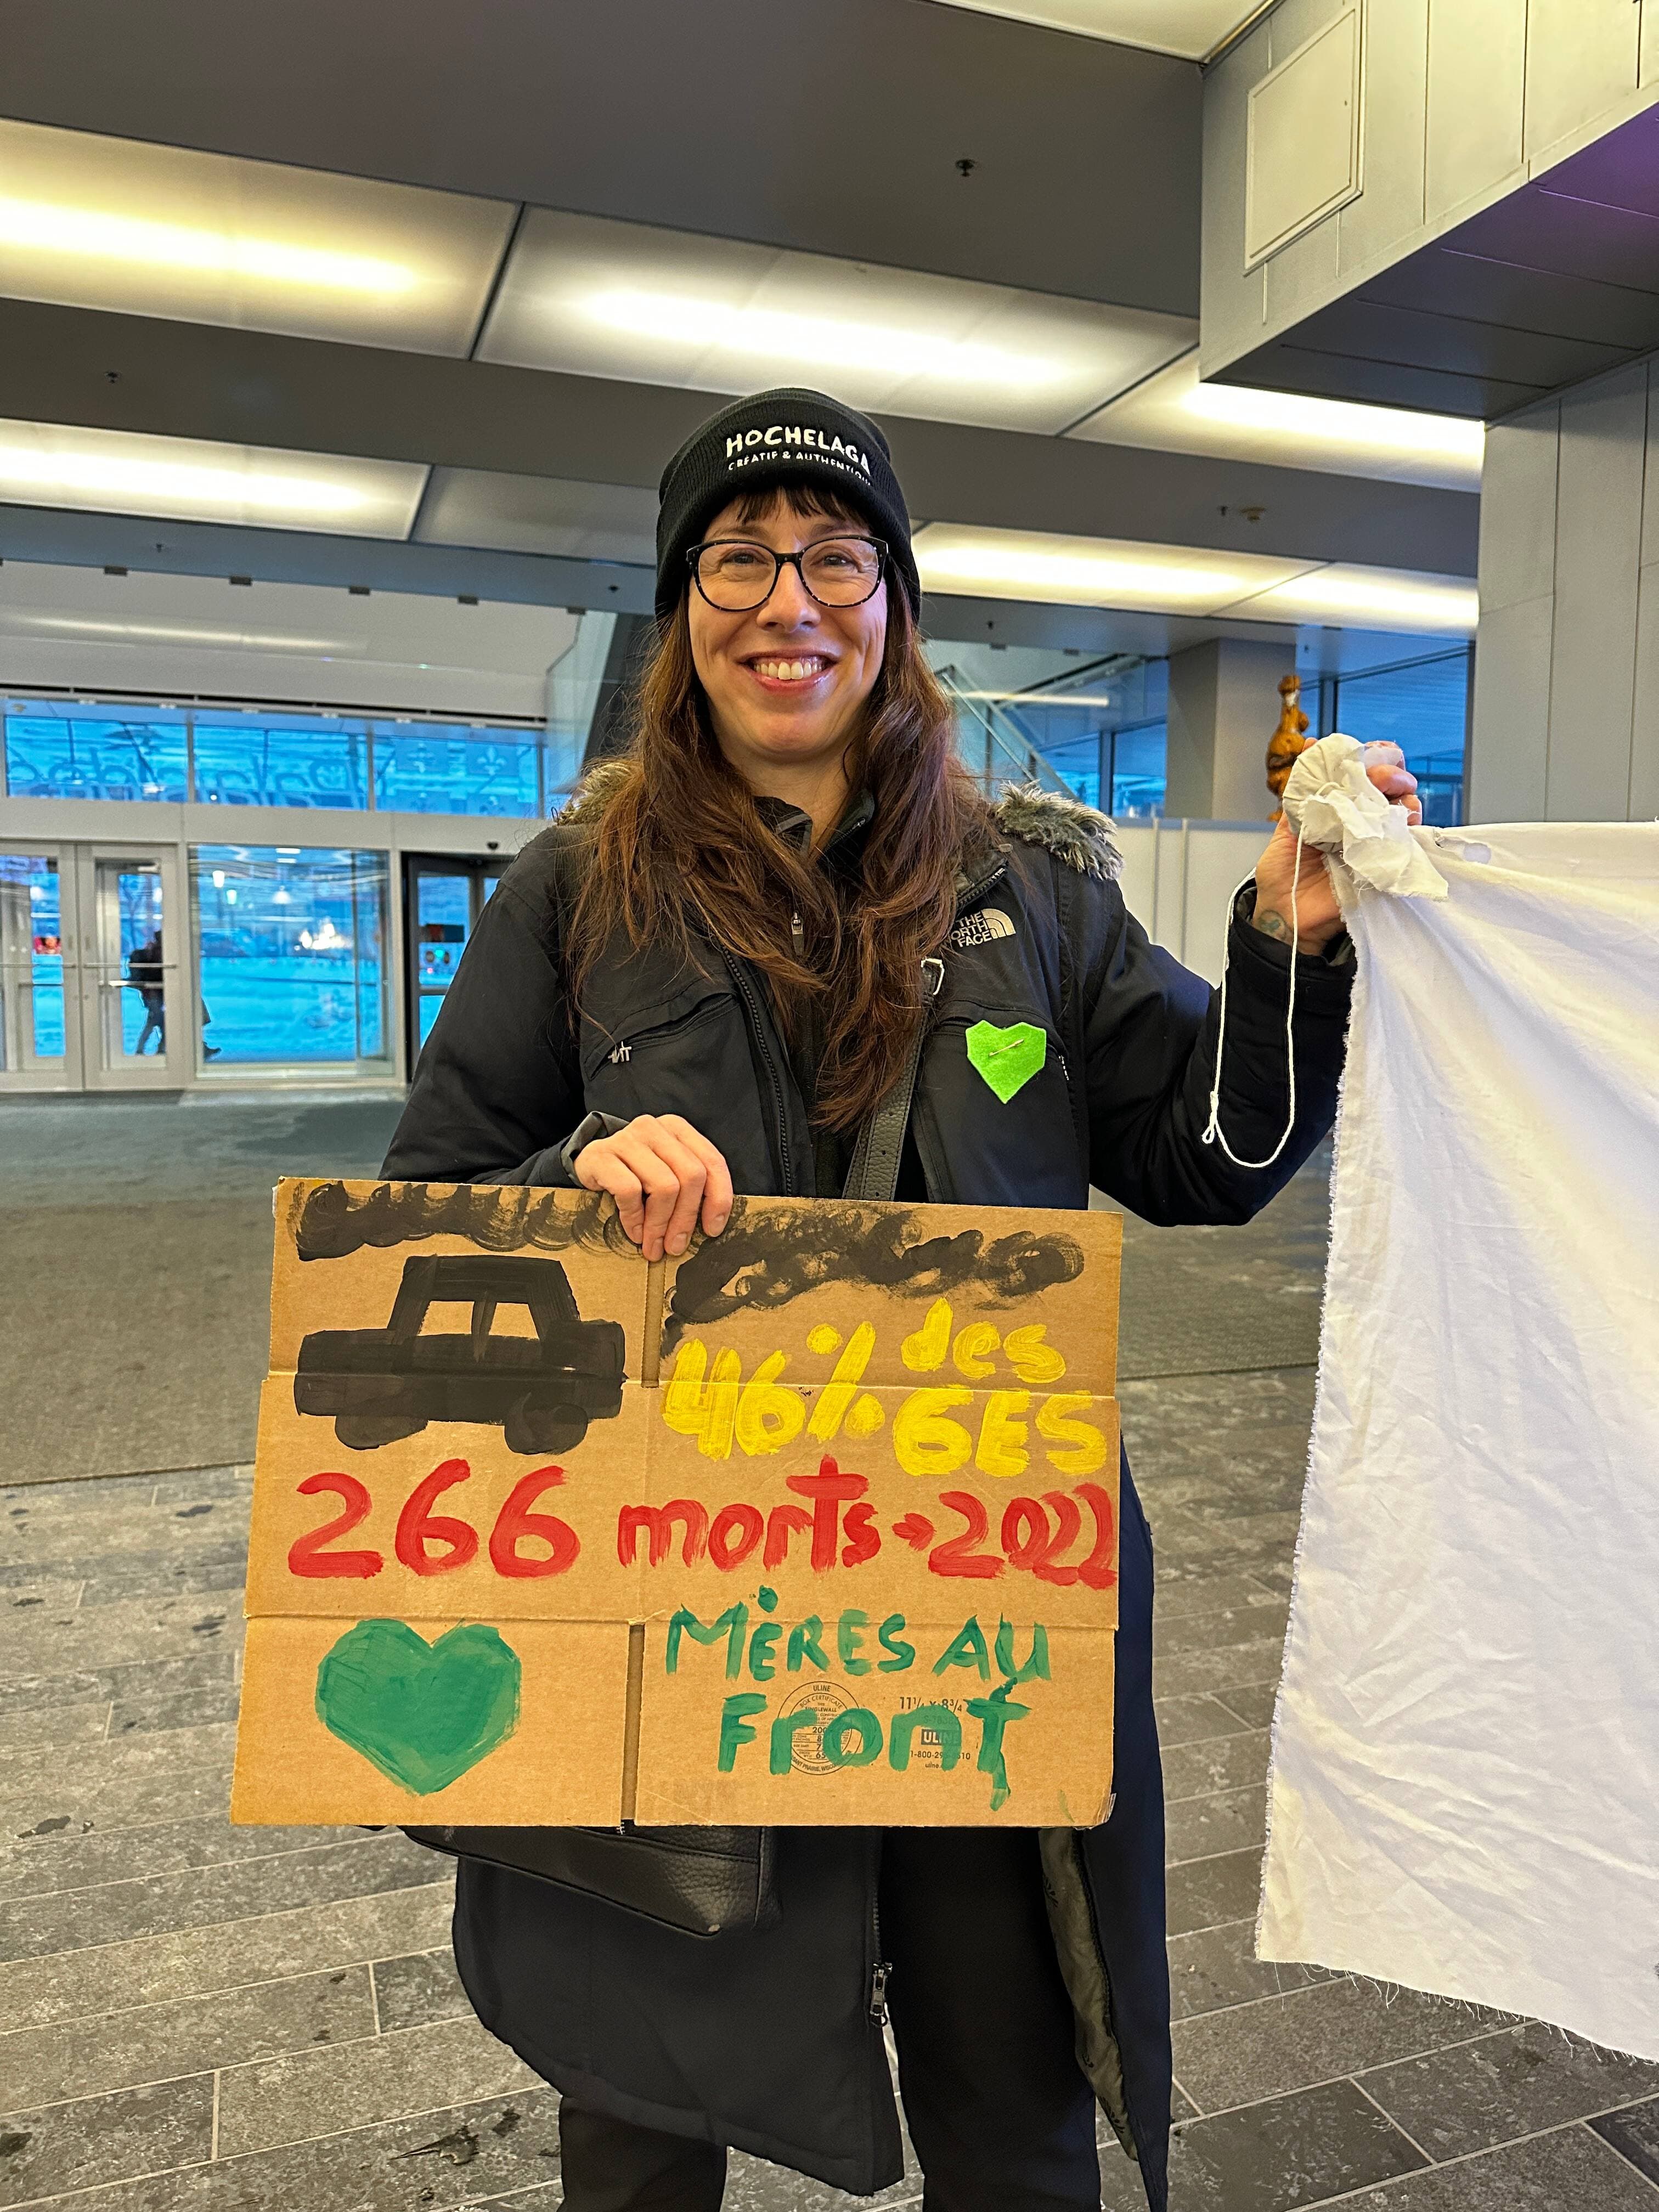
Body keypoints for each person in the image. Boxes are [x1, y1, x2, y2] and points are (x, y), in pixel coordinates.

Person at [382, 386, 1420, 2212]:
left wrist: (1290, 946)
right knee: (643, 2100)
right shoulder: (572, 893)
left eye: (835, 559)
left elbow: (1213, 1153)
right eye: (740, 560)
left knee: (1012, 2092)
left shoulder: (1030, 886)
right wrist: (568, 1187)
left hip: (965, 1592)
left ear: (895, 603)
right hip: (671, 1595)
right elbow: (416, 1231)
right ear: (679, 609)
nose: (789, 601)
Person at [126, 926, 165, 1053]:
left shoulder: (153, 950)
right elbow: (155, 973)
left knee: (155, 1020)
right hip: (153, 992)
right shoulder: (156, 952)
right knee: (159, 1021)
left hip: (153, 992)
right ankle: (157, 1048)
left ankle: (145, 1048)